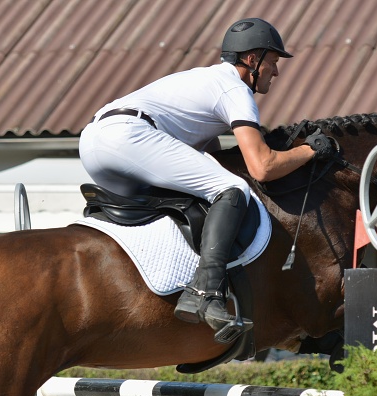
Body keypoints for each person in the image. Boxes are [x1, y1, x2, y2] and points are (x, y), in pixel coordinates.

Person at [79, 17, 334, 342]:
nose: (277, 71)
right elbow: (262, 167)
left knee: (193, 202)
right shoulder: (234, 89)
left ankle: (165, 279)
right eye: (273, 61)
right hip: (129, 138)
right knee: (233, 189)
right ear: (252, 60)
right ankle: (205, 290)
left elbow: (209, 156)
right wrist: (310, 152)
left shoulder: (204, 81)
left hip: (95, 143)